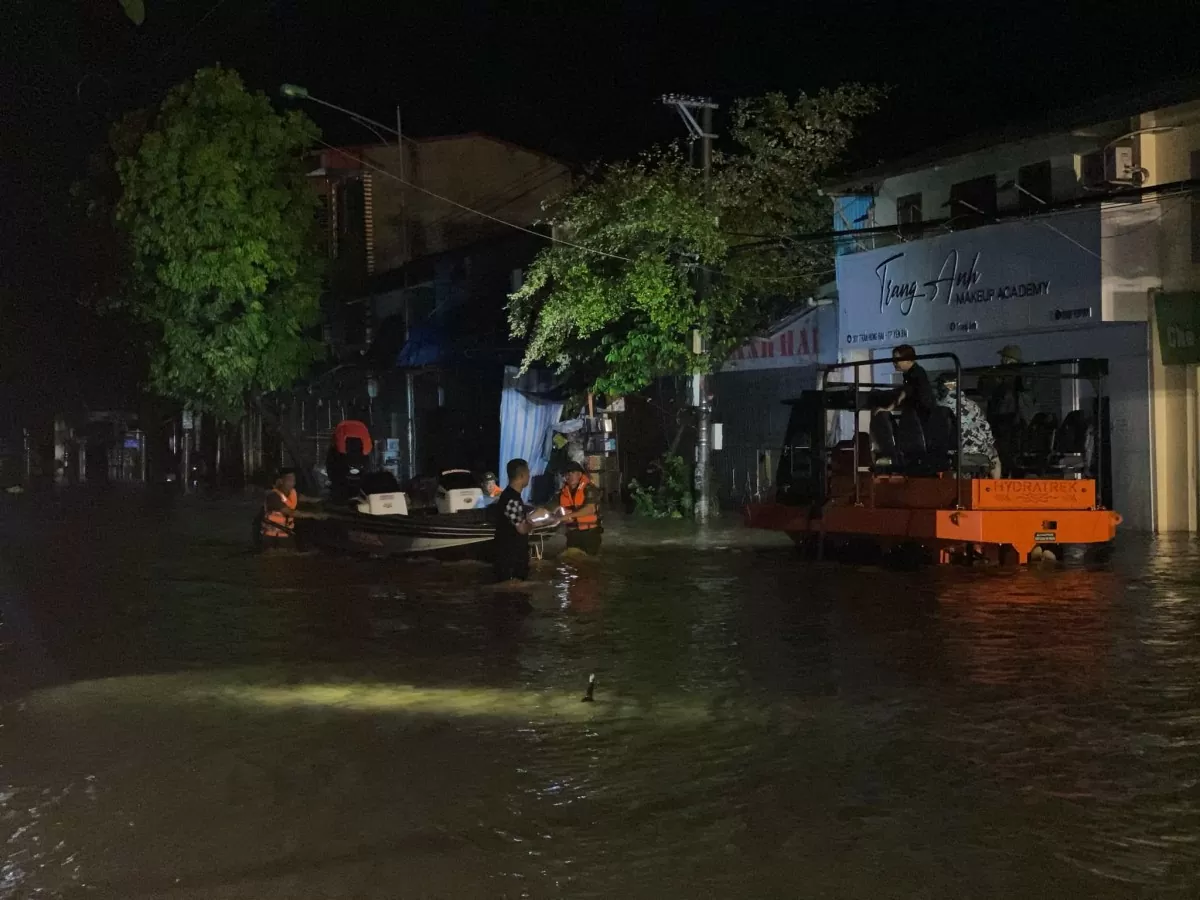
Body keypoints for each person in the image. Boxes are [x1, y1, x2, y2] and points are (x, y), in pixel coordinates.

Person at [935, 375, 1001, 478]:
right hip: (975, 449)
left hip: (951, 450)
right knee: (995, 458)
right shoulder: (972, 405)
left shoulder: (938, 406)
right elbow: (986, 429)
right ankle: (996, 487)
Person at [490, 458, 533, 582]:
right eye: (528, 473)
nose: (529, 476)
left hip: (507, 558)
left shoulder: (508, 496)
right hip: (511, 560)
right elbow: (522, 529)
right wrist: (534, 523)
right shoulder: (512, 499)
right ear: (522, 475)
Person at [258, 469, 315, 550]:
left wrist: (322, 500)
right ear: (280, 481)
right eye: (290, 480)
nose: (293, 483)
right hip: (272, 537)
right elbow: (291, 512)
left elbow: (308, 499)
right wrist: (314, 515)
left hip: (285, 534)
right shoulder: (273, 496)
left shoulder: (292, 493)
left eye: (294, 480)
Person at [559, 461, 602, 555]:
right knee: (571, 563)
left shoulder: (589, 488)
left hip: (589, 533)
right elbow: (556, 508)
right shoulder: (563, 492)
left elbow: (590, 509)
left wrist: (567, 516)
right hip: (572, 533)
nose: (569, 476)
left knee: (589, 564)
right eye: (567, 474)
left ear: (579, 474)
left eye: (572, 473)